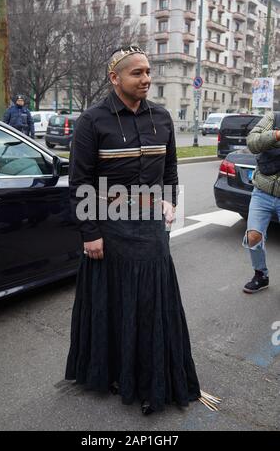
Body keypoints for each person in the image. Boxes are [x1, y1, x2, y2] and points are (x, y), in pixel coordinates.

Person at [65, 45, 217, 414]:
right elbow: (80, 181)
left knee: (151, 304)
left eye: (148, 71)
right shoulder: (92, 121)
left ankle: (152, 380)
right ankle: (114, 371)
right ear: (115, 78)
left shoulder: (163, 118)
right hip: (110, 229)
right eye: (137, 73)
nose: (146, 78)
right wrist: (90, 234)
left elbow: (170, 170)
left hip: (151, 231)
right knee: (112, 303)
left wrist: (170, 201)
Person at [242, 111, 280, 294]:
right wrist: (275, 134)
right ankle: (261, 275)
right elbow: (252, 142)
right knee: (253, 236)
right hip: (262, 192)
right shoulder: (274, 118)